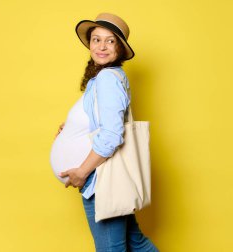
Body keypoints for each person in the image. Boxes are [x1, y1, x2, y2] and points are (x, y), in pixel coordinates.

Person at [52, 13, 159, 251]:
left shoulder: (107, 79)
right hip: (106, 178)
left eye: (110, 41)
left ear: (120, 48)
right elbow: (101, 119)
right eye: (96, 39)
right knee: (137, 243)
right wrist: (72, 127)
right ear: (89, 43)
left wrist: (82, 171)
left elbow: (111, 135)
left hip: (99, 178)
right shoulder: (107, 77)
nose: (101, 46)